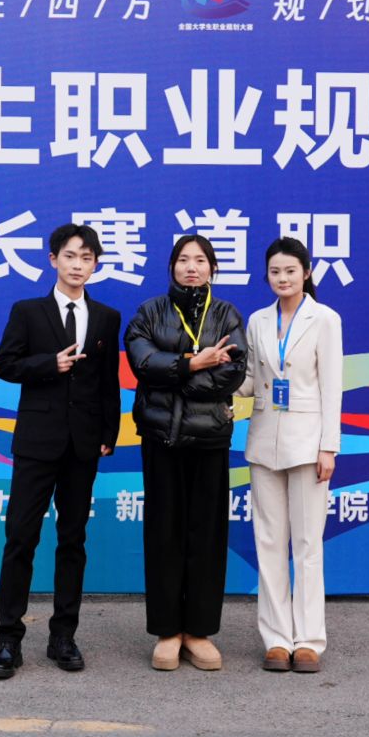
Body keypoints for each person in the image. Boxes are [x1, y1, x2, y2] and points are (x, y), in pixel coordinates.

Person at [0, 223, 123, 680]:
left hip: (83, 445)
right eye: (70, 256)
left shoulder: (105, 317)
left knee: (73, 540)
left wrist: (109, 432)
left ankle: (63, 635)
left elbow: (108, 381)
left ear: (95, 265)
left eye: (86, 258)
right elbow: (4, 364)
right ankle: (8, 639)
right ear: (53, 260)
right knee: (20, 538)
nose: (77, 265)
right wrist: (50, 363)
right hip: (36, 442)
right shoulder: (28, 311)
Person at [124, 234, 247, 671]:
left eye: (199, 260)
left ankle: (198, 631)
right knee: (164, 533)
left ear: (212, 268)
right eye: (183, 259)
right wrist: (194, 363)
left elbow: (234, 371)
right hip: (161, 438)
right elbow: (142, 363)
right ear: (172, 266)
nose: (191, 267)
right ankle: (167, 631)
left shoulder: (226, 314)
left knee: (206, 536)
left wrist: (176, 378)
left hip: (209, 439)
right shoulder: (150, 311)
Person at [237, 237, 344, 674]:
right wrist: (215, 377)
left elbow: (332, 386)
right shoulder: (257, 321)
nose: (282, 278)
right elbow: (249, 378)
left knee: (307, 544)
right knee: (268, 543)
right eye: (275, 272)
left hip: (308, 444)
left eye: (290, 271)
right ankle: (277, 640)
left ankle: (308, 641)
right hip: (264, 441)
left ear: (306, 272)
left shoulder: (325, 319)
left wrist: (328, 447)